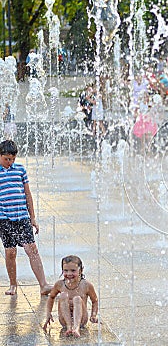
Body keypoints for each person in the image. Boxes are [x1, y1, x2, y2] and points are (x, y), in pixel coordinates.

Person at [0, 140, 52, 296]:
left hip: (22, 216)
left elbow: (28, 194)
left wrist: (33, 218)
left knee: (32, 250)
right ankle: (13, 285)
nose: (10, 162)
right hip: (4, 219)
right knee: (10, 252)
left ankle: (43, 285)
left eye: (12, 159)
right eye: (6, 159)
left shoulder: (20, 170)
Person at [43, 255, 99, 337]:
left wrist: (93, 315)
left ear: (81, 270)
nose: (69, 274)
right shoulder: (60, 284)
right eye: (66, 270)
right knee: (63, 295)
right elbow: (51, 297)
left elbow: (95, 301)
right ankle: (69, 327)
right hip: (64, 321)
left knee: (77, 299)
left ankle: (76, 328)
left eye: (73, 270)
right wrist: (48, 313)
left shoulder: (86, 285)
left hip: (81, 320)